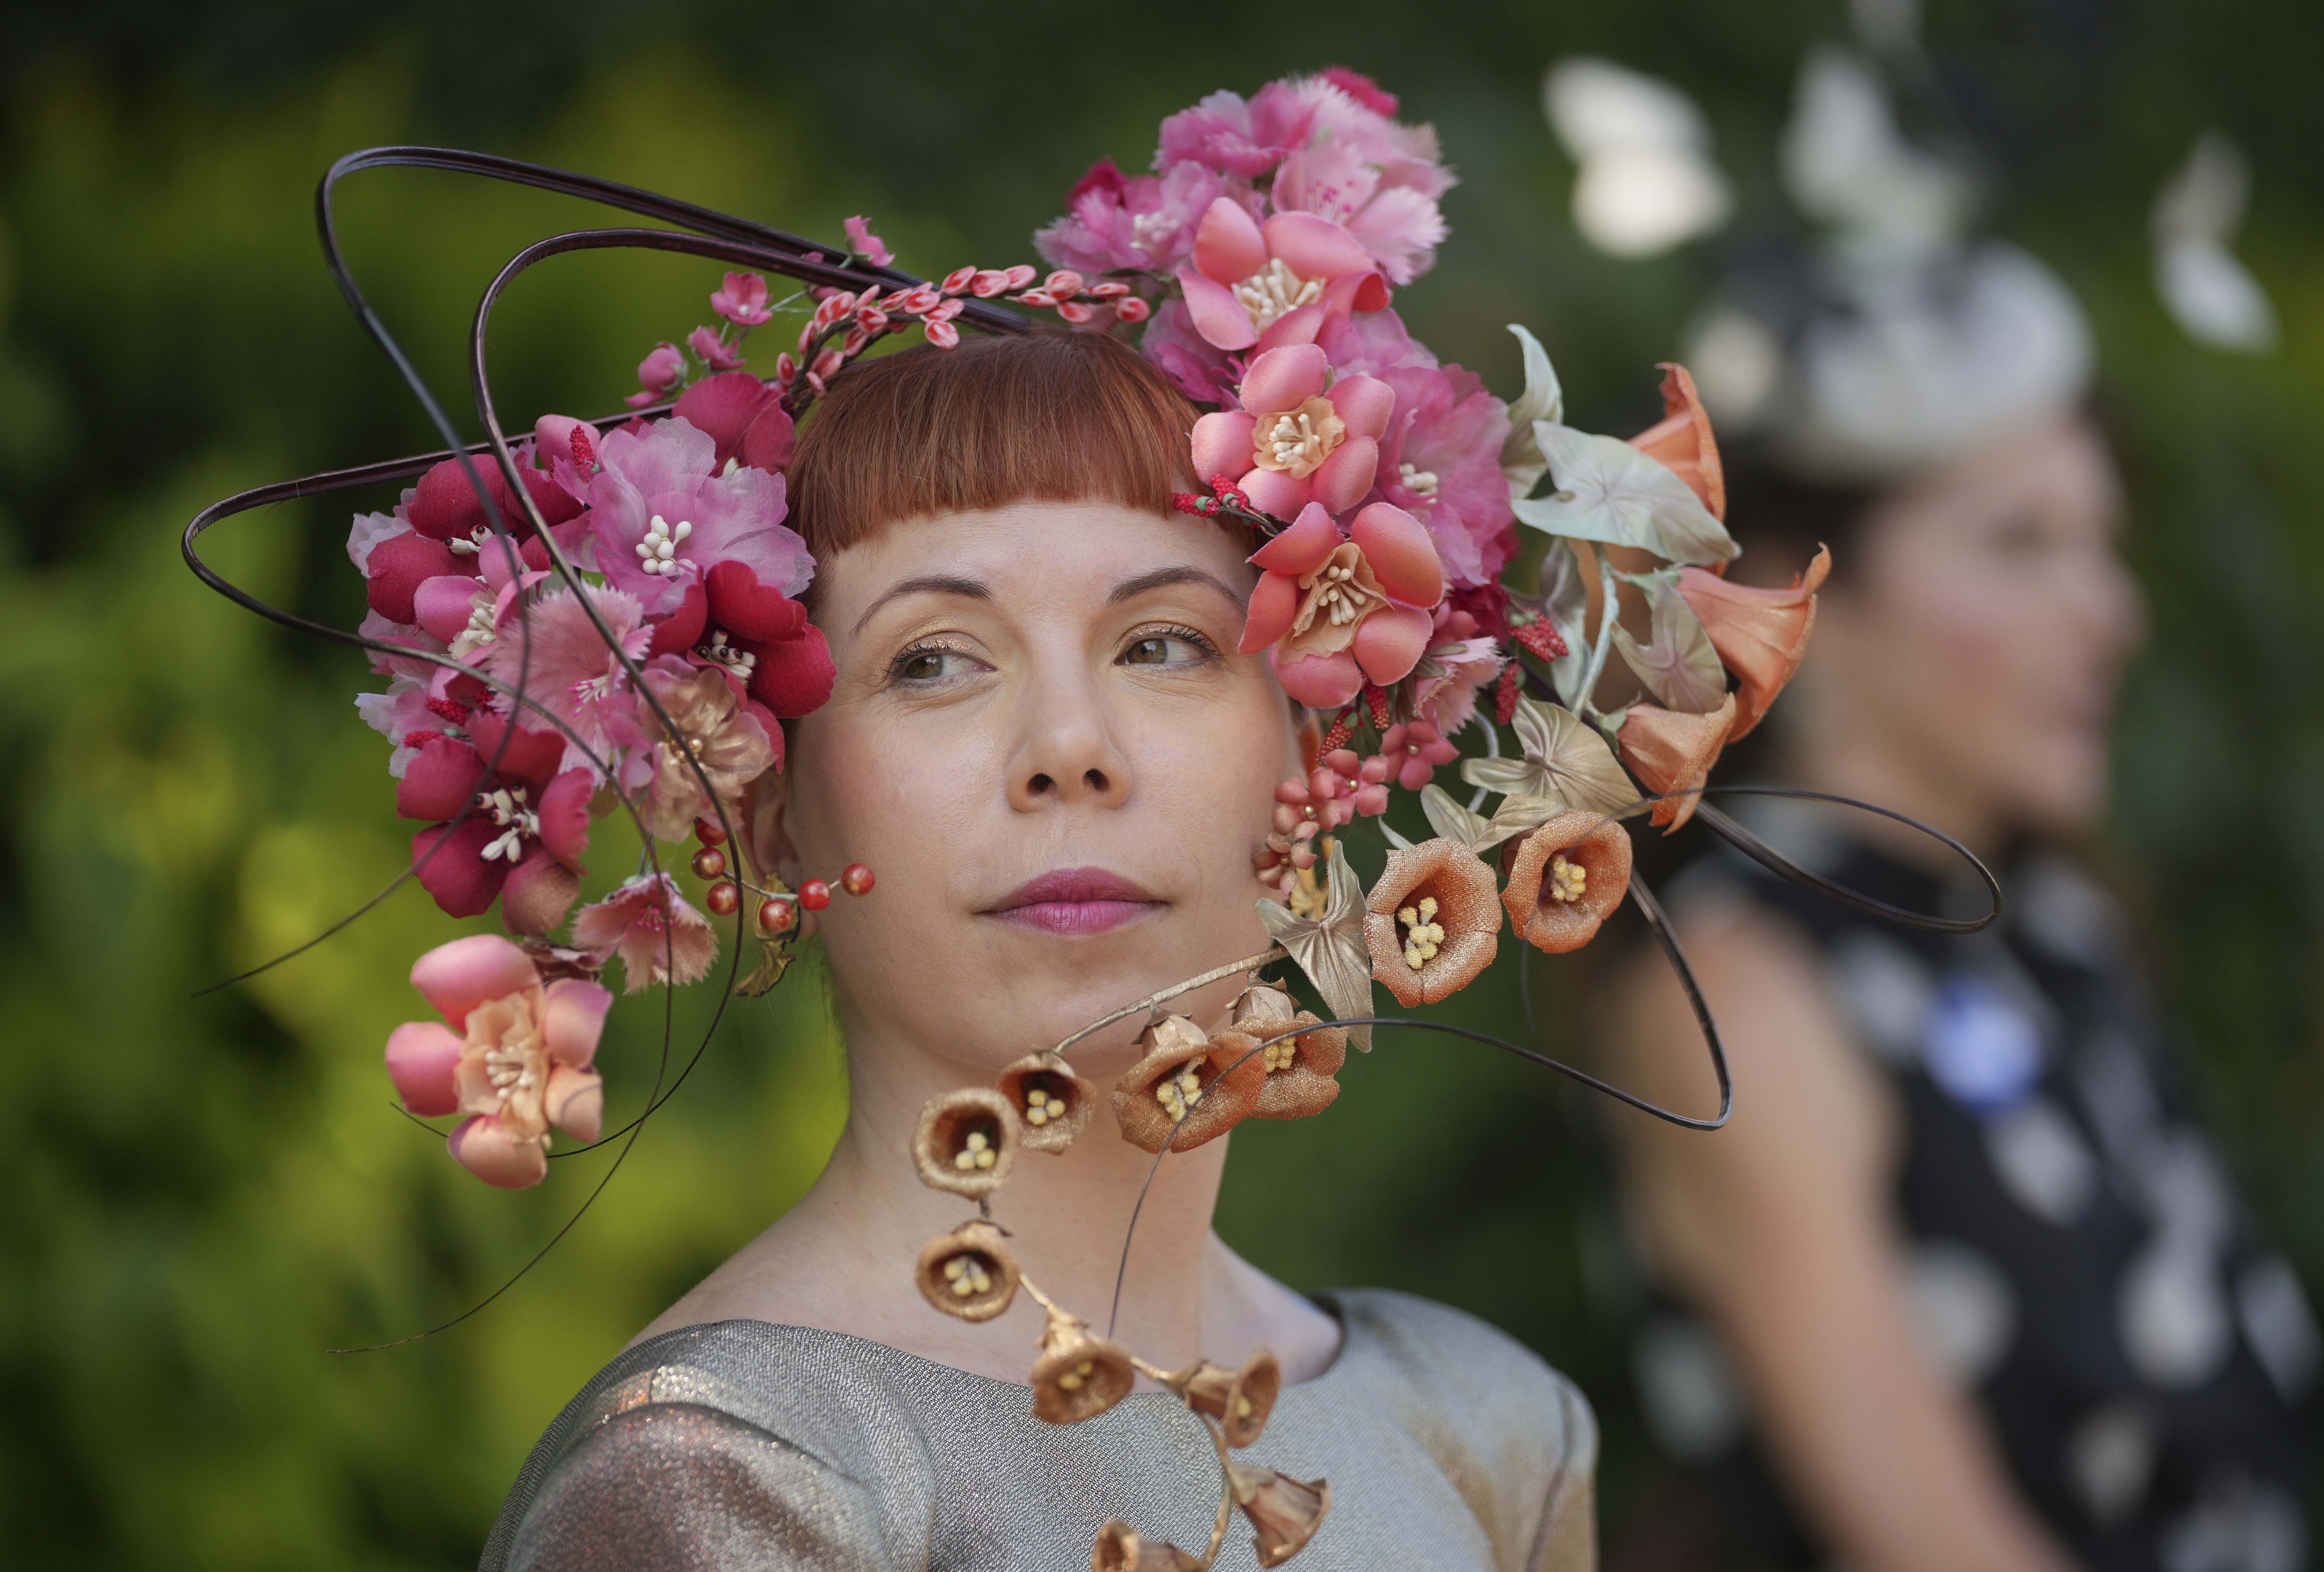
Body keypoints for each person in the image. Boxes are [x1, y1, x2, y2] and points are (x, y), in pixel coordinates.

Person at [475, 328, 1599, 1572]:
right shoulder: (725, 1479)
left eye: (1164, 642)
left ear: (1310, 756)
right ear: (769, 811)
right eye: (934, 662)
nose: (1069, 743)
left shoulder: (1490, 1427)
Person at [1597, 68, 2320, 1562]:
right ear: (1814, 596)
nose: (2111, 615)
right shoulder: (1740, 991)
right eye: (2021, 545)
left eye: (2100, 545)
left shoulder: (2047, 927)